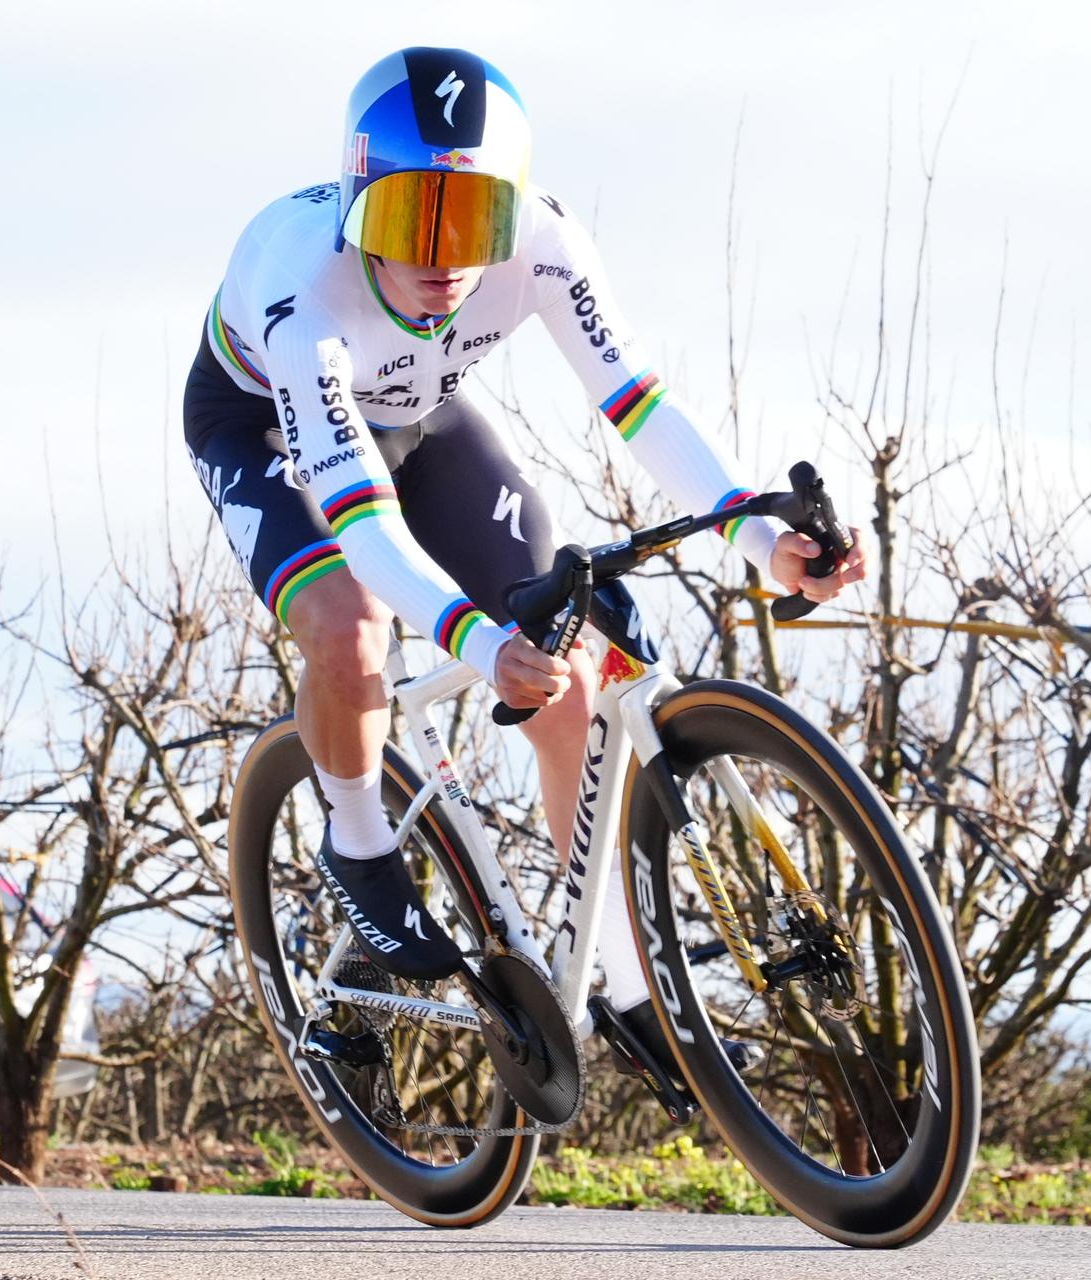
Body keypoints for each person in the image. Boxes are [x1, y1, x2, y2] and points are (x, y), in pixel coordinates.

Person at [184, 46, 863, 1069]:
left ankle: (629, 981)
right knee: (350, 622)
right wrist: (468, 631)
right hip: (267, 432)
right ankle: (360, 837)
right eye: (412, 217)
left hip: (423, 420)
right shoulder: (298, 281)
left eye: (473, 219)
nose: (444, 255)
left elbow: (639, 402)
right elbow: (362, 528)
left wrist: (764, 540)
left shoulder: (544, 241)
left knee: (568, 675)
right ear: (358, 205)